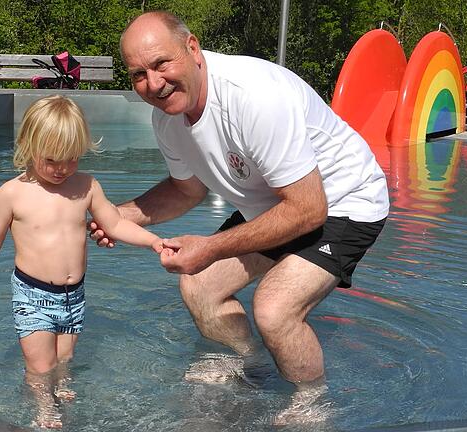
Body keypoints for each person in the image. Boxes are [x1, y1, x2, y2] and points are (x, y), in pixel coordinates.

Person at [90, 11, 389, 390]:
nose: (153, 84)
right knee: (198, 284)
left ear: (192, 48)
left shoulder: (253, 96)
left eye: (161, 63)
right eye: (138, 74)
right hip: (276, 204)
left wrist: (212, 247)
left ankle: (312, 404)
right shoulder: (168, 117)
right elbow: (186, 190)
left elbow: (308, 209)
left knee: (275, 310)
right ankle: (250, 363)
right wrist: (116, 216)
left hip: (342, 200)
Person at [0, 95, 170, 429]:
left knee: (64, 360)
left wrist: (153, 242)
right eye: (52, 160)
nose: (62, 169)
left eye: (72, 159)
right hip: (32, 294)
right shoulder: (12, 194)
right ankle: (43, 408)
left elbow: (115, 224)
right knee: (40, 365)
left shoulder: (86, 187)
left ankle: (59, 387)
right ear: (28, 145)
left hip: (74, 295)